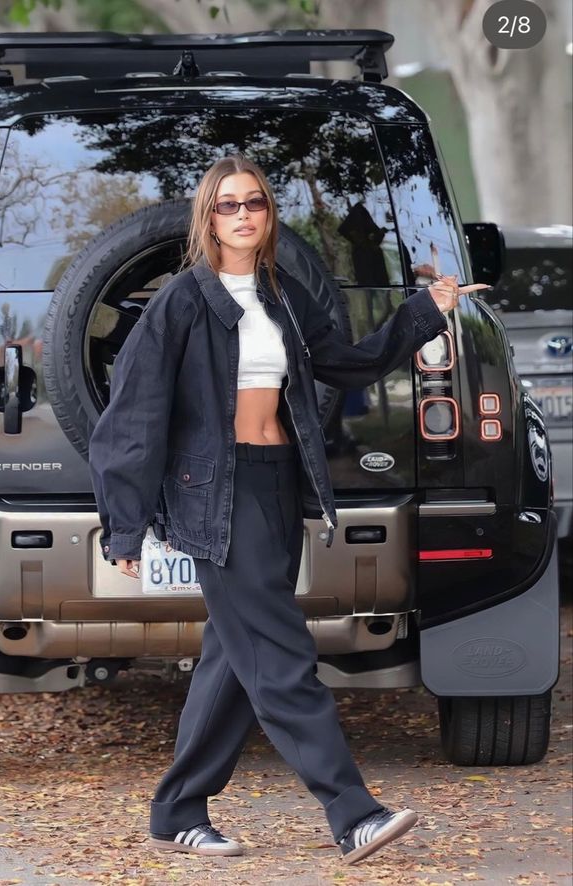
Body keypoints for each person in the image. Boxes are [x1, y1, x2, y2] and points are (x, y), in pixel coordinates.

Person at [87, 153, 491, 865]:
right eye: (228, 205)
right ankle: (351, 812)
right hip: (216, 491)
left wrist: (427, 310)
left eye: (255, 204)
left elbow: (350, 363)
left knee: (232, 656)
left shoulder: (280, 294)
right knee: (278, 655)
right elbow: (133, 418)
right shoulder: (182, 302)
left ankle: (177, 809)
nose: (243, 216)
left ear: (268, 216)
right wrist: (124, 522)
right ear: (207, 218)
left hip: (278, 483)